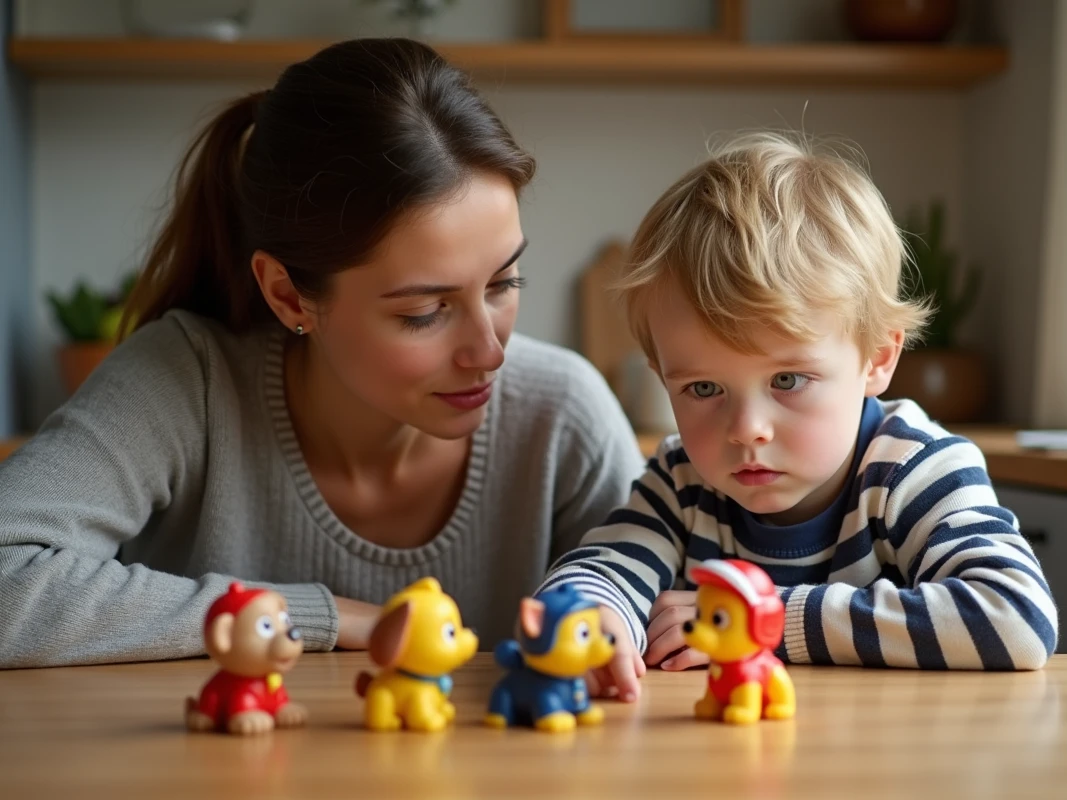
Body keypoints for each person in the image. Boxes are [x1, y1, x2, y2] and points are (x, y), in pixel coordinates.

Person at [0, 38, 643, 668]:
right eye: (424, 312)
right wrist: (322, 617)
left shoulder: (563, 414)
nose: (490, 351)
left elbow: (663, 604)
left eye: (504, 283)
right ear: (288, 296)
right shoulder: (187, 381)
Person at [538, 133, 1059, 701]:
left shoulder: (915, 469)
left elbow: (1016, 617)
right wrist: (591, 618)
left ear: (877, 358)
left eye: (787, 380)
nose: (746, 429)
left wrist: (763, 621)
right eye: (703, 388)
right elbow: (601, 572)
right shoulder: (683, 480)